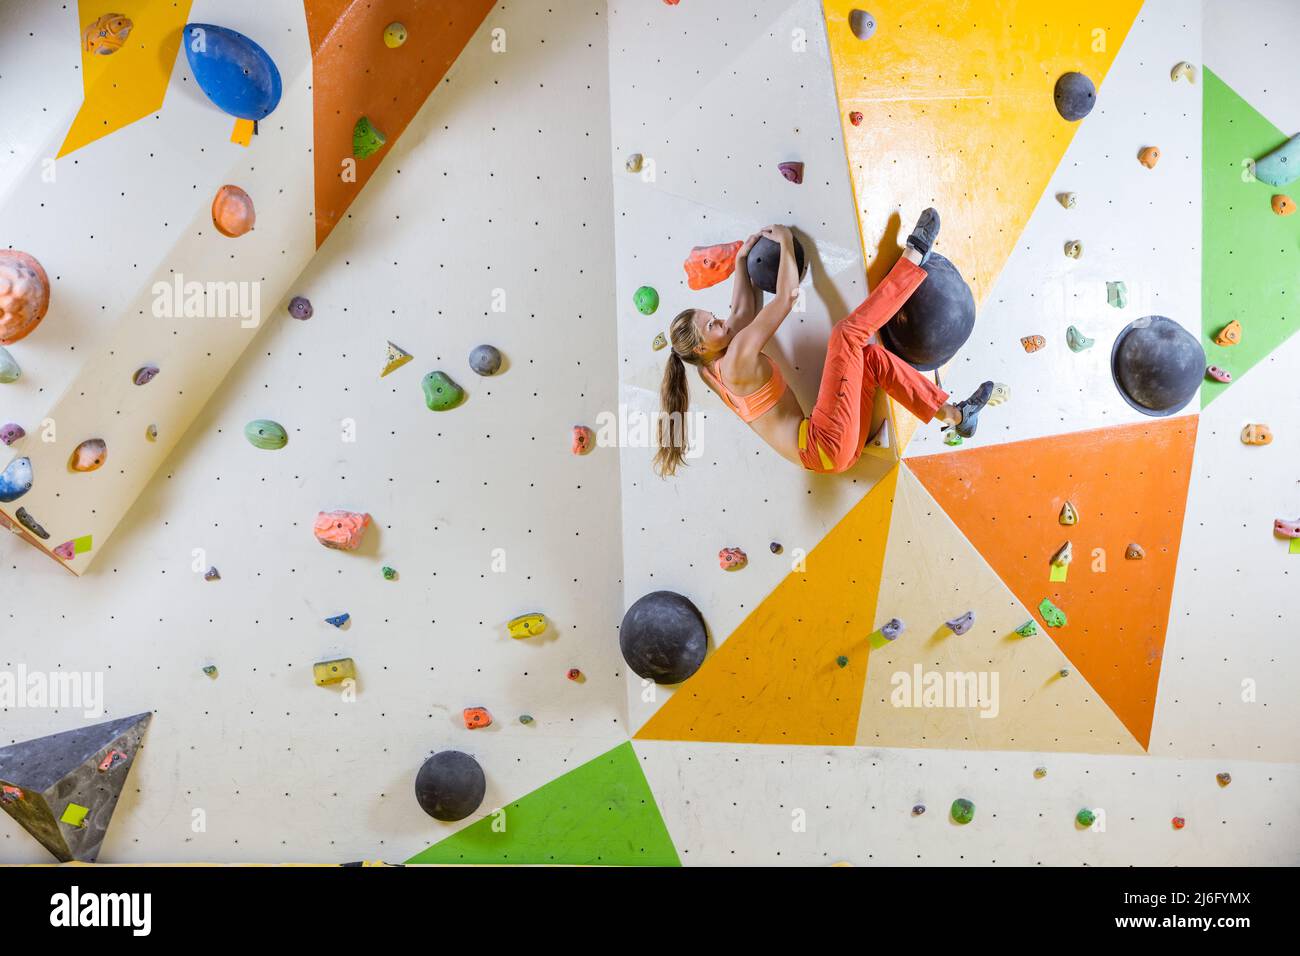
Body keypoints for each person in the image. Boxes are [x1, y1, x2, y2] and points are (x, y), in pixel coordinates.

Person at [654, 210, 1002, 476]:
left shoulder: (708, 369)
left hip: (833, 453)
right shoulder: (735, 359)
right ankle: (915, 257)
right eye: (711, 324)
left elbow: (741, 311)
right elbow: (786, 298)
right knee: (846, 335)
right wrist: (788, 242)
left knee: (871, 359)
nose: (720, 319)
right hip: (825, 443)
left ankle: (958, 415)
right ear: (701, 347)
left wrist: (744, 261)